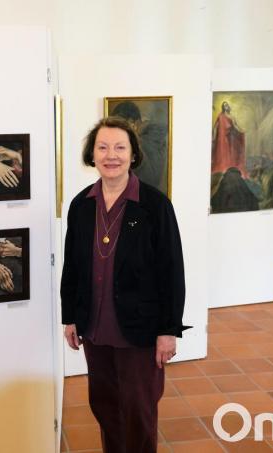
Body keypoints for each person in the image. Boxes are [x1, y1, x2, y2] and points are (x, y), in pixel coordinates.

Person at [60, 117, 189, 453]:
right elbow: (72, 266)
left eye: (120, 147)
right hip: (95, 327)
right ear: (92, 155)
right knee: (105, 406)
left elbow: (172, 272)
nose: (111, 155)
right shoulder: (81, 205)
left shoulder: (154, 205)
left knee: (138, 410)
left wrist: (168, 331)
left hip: (139, 330)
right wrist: (70, 317)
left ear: (133, 155)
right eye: (102, 147)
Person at [211, 101, 248, 178]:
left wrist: (242, 131)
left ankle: (230, 169)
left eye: (227, 105)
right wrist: (213, 137)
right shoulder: (220, 116)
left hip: (230, 138)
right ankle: (223, 170)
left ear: (228, 107)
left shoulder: (231, 116)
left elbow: (236, 126)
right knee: (222, 153)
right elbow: (215, 127)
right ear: (223, 107)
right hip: (221, 139)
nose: (226, 107)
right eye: (225, 106)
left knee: (230, 153)